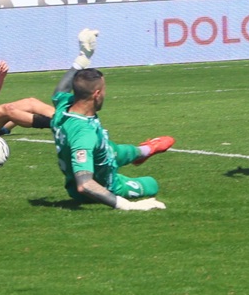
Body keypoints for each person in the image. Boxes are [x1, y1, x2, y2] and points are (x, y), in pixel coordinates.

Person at [50, 29, 172, 210]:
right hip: (106, 184)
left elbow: (60, 90)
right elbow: (85, 184)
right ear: (97, 94)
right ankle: (144, 151)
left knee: (112, 149)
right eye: (104, 91)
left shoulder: (64, 105)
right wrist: (129, 206)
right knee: (151, 184)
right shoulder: (83, 135)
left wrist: (83, 58)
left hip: (102, 155)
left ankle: (146, 150)